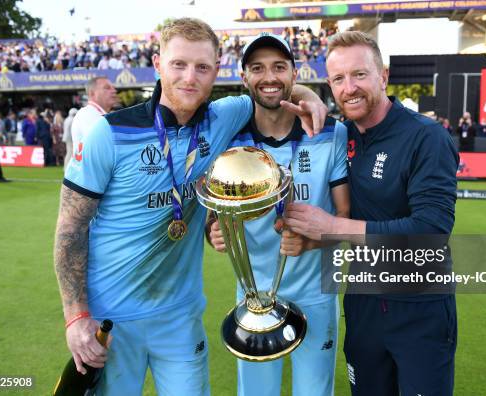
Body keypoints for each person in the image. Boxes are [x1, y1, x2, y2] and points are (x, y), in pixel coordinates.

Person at [54, 18, 327, 396]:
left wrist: (306, 93)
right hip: (111, 320)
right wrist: (76, 317)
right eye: (178, 64)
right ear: (157, 63)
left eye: (202, 67)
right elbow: (70, 229)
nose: (190, 77)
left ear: (216, 71)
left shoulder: (223, 116)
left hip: (180, 318)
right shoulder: (110, 132)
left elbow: (270, 86)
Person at [285, 31, 459, 396]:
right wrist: (313, 240)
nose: (349, 88)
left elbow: (430, 230)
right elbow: (271, 90)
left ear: (383, 76)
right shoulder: (340, 136)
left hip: (419, 309)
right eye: (338, 79)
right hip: (363, 305)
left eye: (359, 74)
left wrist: (331, 226)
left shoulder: (427, 137)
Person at [206, 33, 350, 396]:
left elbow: (346, 217)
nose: (268, 77)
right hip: (253, 298)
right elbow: (216, 207)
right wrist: (213, 229)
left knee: (314, 392)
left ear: (294, 73)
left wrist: (313, 240)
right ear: (243, 78)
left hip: (317, 292)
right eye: (257, 68)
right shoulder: (229, 138)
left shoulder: (330, 133)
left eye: (278, 67)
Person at [70, 77, 120, 150]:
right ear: (92, 93)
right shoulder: (88, 114)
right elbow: (104, 146)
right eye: (107, 88)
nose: (114, 91)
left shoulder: (95, 113)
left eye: (113, 88)